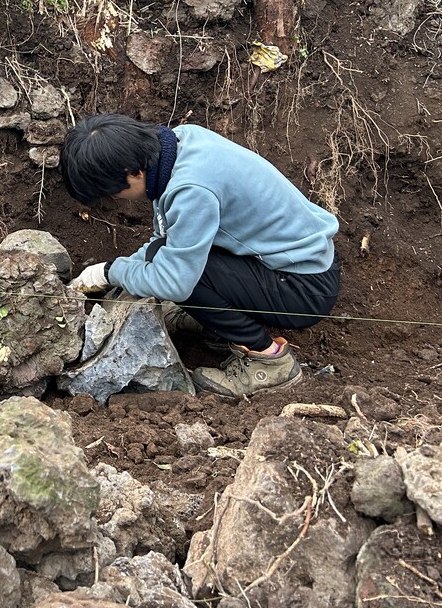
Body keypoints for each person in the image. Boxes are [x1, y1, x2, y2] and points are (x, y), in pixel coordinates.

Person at [60, 114, 340, 398]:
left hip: (304, 289)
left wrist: (111, 272)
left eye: (115, 192)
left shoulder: (191, 190)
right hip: (296, 261)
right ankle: (219, 325)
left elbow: (175, 282)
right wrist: (120, 268)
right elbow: (169, 239)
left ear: (133, 172)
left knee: (179, 280)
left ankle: (269, 359)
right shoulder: (181, 142)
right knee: (166, 260)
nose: (119, 199)